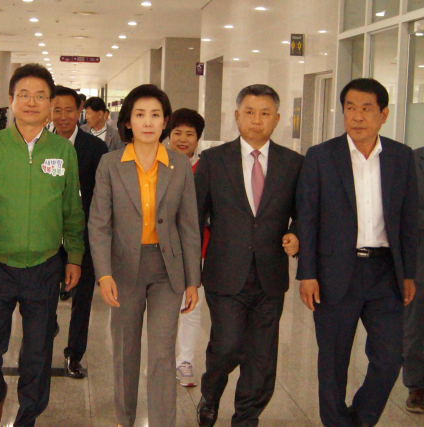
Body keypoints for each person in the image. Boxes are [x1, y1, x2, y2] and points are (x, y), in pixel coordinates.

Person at [0, 64, 85, 427]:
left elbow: (72, 209)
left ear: (51, 104)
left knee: (37, 354)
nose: (33, 102)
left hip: (45, 267)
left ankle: (27, 418)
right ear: (11, 101)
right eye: (24, 95)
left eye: (41, 96)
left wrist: (74, 255)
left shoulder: (63, 152)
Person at [297, 78, 418, 427]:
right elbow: (307, 218)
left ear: (383, 114)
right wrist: (307, 273)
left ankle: (360, 420)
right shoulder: (321, 156)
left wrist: (408, 273)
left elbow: (408, 221)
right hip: (336, 271)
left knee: (389, 358)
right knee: (332, 361)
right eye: (350, 107)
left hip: (385, 273)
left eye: (366, 108)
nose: (357, 116)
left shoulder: (401, 157)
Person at [89, 84, 201, 427]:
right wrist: (104, 273)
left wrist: (193, 280)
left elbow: (189, 225)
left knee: (163, 353)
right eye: (140, 115)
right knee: (125, 352)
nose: (148, 122)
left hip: (168, 270)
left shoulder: (179, 164)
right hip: (124, 270)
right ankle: (125, 418)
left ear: (164, 121)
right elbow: (99, 224)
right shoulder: (110, 164)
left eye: (155, 115)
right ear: (128, 122)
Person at [195, 84, 304, 427]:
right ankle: (211, 393)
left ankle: (247, 417)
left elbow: (304, 213)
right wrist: (188, 271)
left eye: (265, 113)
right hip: (225, 272)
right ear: (236, 116)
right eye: (250, 112)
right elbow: (195, 216)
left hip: (270, 274)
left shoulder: (293, 163)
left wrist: (296, 234)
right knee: (227, 346)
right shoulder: (213, 161)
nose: (257, 120)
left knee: (261, 357)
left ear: (278, 119)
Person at [51, 86, 108, 378]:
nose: (63, 117)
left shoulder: (95, 148)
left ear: (81, 110)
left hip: (83, 237)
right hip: (45, 237)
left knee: (82, 298)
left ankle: (74, 354)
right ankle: (48, 328)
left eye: (69, 110)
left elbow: (101, 197)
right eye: (57, 110)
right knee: (43, 297)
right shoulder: (39, 145)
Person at [168, 108, 207, 387]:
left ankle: (185, 362)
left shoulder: (205, 169)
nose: (183, 139)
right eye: (177, 133)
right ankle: (161, 358)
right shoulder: (157, 165)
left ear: (198, 139)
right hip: (162, 250)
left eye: (189, 134)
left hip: (198, 250)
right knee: (164, 308)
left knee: (191, 309)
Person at [403, 145, 424, 413]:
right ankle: (417, 386)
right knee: (416, 325)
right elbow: (410, 210)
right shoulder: (415, 159)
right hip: (420, 259)